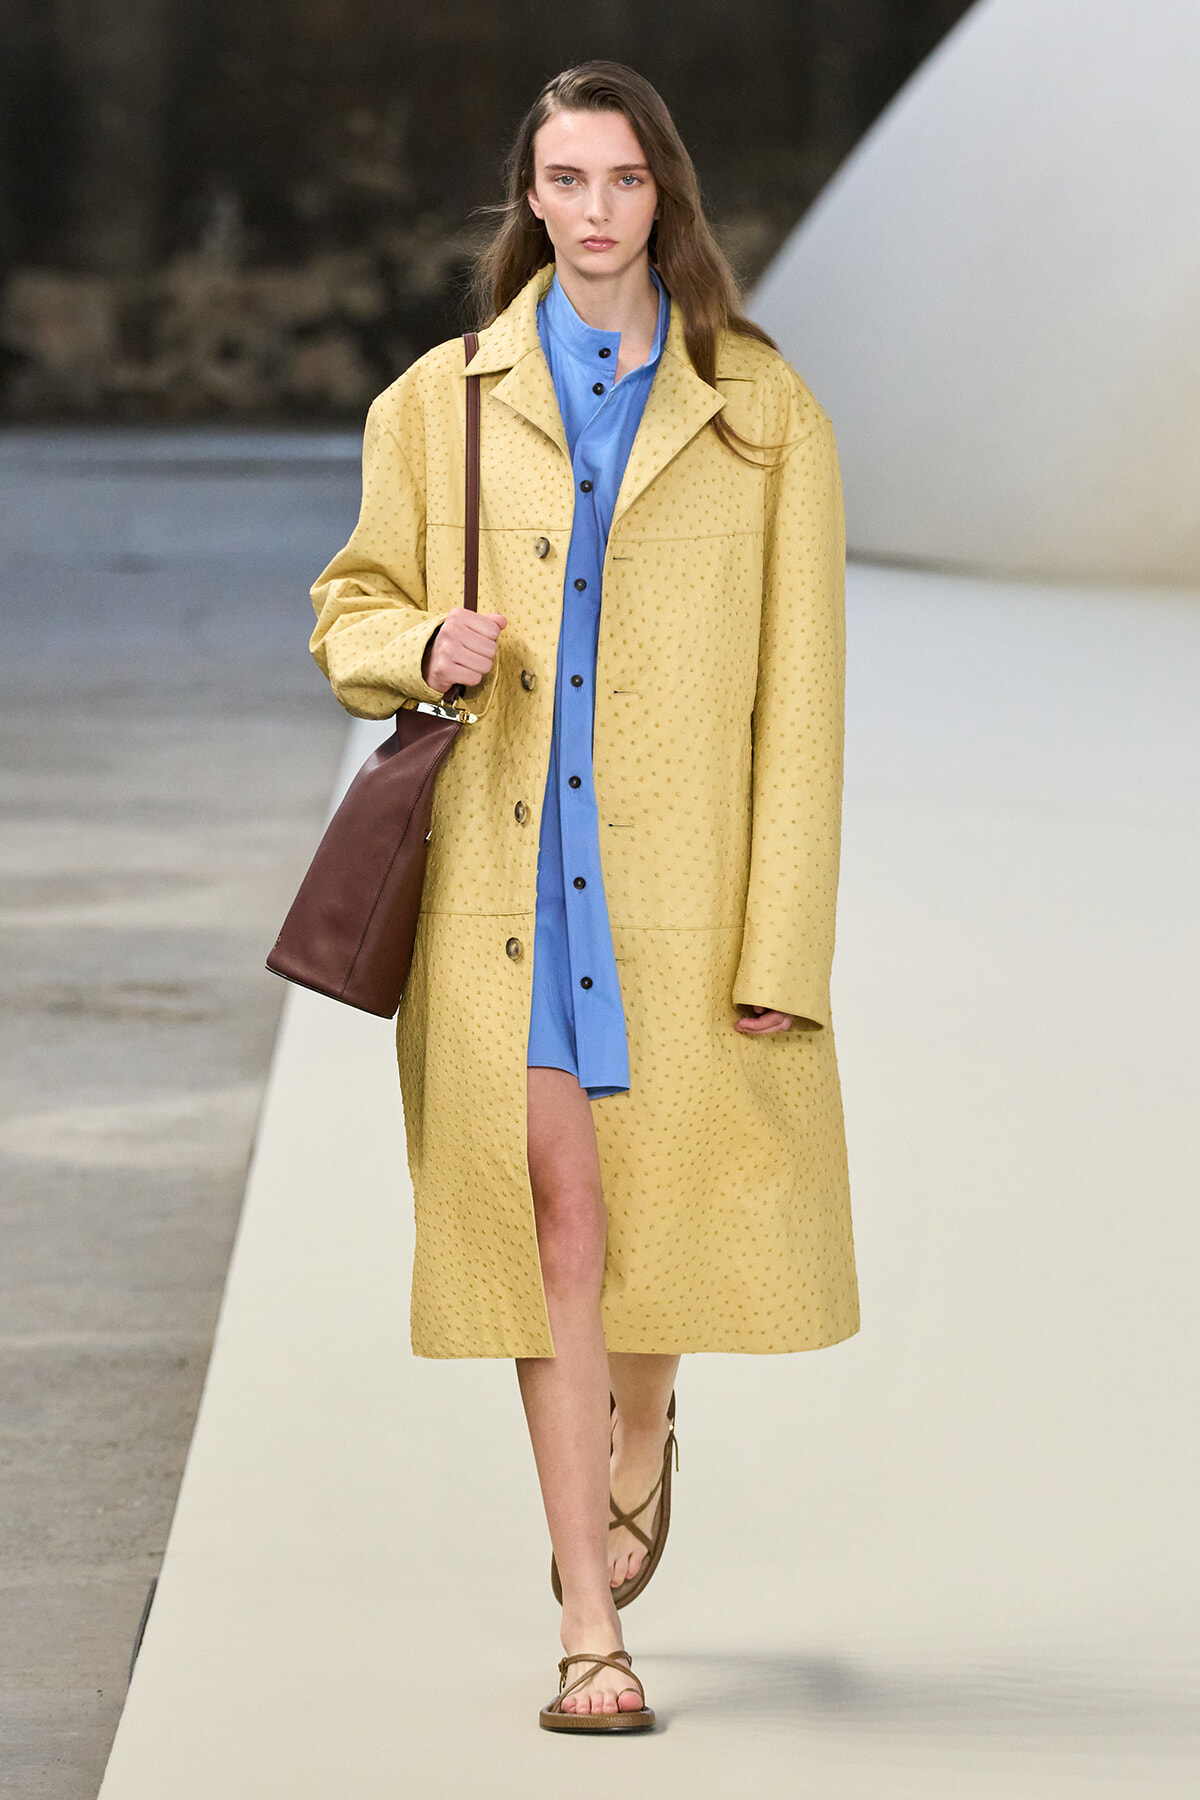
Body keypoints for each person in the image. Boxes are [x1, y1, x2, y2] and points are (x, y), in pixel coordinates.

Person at [310, 60, 858, 1733]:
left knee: (658, 1234)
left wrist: (783, 947)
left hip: (681, 906)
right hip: (501, 898)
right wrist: (419, 644)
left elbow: (803, 706)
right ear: (530, 200)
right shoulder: (440, 402)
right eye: (567, 180)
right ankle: (586, 1627)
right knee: (551, 1231)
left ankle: (642, 1424)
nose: (597, 209)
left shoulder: (762, 409)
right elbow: (348, 605)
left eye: (625, 180)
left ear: (664, 196)